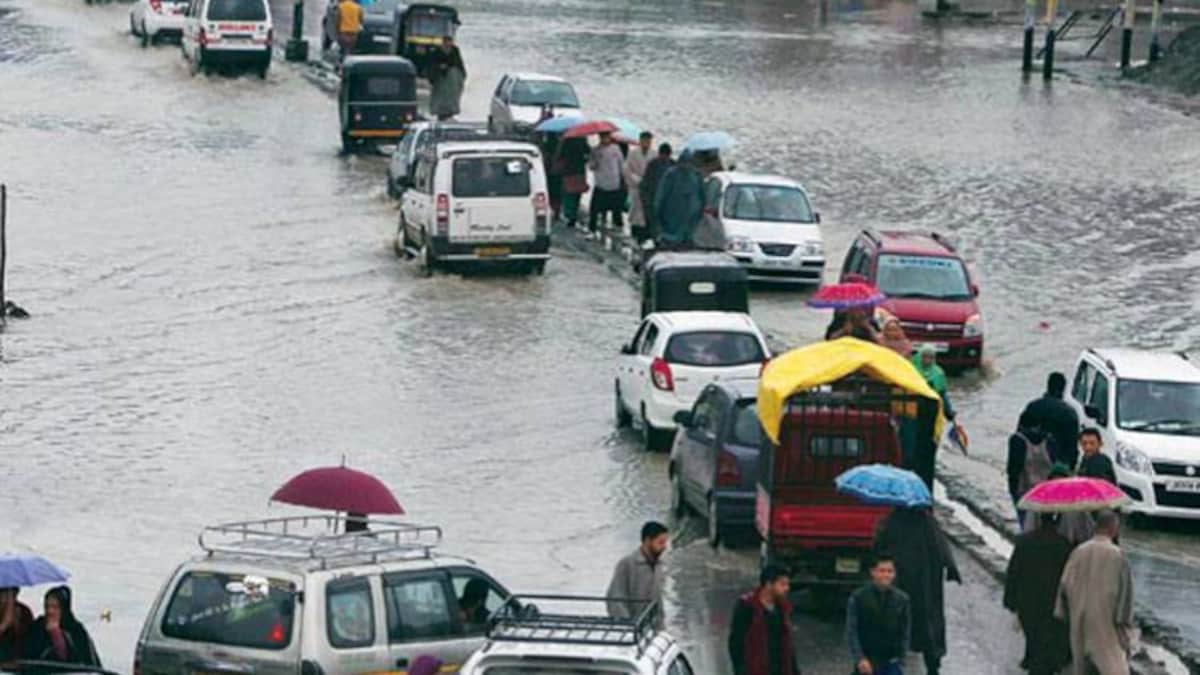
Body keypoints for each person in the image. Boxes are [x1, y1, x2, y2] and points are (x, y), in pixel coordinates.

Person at [874, 507, 961, 675]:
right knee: (929, 624)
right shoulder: (927, 522)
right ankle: (933, 665)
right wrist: (951, 567)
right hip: (926, 584)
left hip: (901, 580)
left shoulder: (891, 521)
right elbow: (940, 546)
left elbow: (879, 548)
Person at [1055, 511, 1134, 675]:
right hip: (1106, 621)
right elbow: (1125, 594)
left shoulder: (1078, 551)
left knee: (1081, 666)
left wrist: (1064, 613)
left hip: (1079, 618)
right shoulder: (1117, 555)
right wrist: (1124, 624)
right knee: (1114, 667)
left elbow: (1065, 584)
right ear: (1113, 528)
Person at [1004, 513, 1072, 675]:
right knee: (1047, 643)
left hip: (1027, 602)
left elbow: (1013, 572)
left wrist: (1010, 601)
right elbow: (1068, 579)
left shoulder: (1024, 542)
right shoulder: (1064, 545)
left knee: (1033, 640)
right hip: (1051, 603)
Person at [728, 564, 799, 675]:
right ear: (769, 584)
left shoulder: (782, 608)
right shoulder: (747, 606)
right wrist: (740, 670)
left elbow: (787, 646)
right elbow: (736, 643)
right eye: (782, 584)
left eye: (787, 584)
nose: (787, 588)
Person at [846, 555, 910, 675]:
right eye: (882, 571)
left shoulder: (902, 600)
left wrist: (902, 659)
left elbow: (904, 631)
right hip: (867, 660)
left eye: (890, 571)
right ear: (873, 572)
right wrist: (860, 658)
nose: (886, 575)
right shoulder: (858, 598)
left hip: (891, 660)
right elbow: (852, 630)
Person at [605, 521, 668, 628]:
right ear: (648, 541)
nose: (665, 546)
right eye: (661, 542)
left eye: (665, 542)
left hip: (653, 630)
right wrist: (628, 627)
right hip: (631, 629)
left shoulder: (659, 566)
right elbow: (614, 599)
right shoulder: (627, 564)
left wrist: (661, 628)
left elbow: (658, 602)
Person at [24, 586, 101, 667]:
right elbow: (29, 657)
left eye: (55, 607)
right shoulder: (37, 628)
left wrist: (56, 635)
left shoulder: (76, 630)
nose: (50, 611)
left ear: (63, 609)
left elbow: (82, 660)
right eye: (47, 606)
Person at [1022, 373, 1081, 469]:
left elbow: (1020, 436)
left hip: (1031, 463)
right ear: (1063, 389)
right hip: (1057, 466)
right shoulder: (1069, 413)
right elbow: (1072, 448)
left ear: (1048, 386)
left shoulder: (1033, 407)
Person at [1007, 412, 1055, 530]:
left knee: (1025, 524)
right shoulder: (1049, 440)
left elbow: (1013, 468)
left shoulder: (1017, 440)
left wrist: (1013, 490)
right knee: (1045, 524)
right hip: (1046, 490)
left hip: (1024, 490)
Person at [653, 150, 704, 250]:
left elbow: (659, 198)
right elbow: (660, 198)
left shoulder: (695, 175)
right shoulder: (674, 175)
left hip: (683, 226)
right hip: (676, 225)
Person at [587, 132, 624, 237]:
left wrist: (623, 179)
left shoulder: (616, 149)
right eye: (603, 137)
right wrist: (596, 160)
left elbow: (621, 164)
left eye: (607, 137)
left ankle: (619, 228)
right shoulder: (595, 150)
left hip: (614, 183)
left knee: (617, 209)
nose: (605, 139)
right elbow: (591, 166)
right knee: (594, 209)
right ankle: (592, 229)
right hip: (601, 184)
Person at [640, 143, 674, 242]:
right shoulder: (653, 165)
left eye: (666, 156)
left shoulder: (673, 165)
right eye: (662, 155)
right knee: (654, 226)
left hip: (666, 202)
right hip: (653, 200)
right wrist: (645, 200)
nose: (664, 158)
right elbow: (645, 183)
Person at [624, 131, 654, 242]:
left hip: (648, 188)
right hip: (636, 187)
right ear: (640, 141)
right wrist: (637, 180)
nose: (646, 143)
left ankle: (645, 235)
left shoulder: (654, 154)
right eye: (644, 140)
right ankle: (635, 233)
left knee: (646, 212)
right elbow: (627, 170)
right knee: (635, 212)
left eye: (648, 141)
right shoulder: (633, 154)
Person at [428, 36, 466, 121]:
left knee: (452, 97)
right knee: (440, 98)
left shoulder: (455, 50)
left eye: (450, 42)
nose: (448, 44)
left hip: (452, 79)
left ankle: (450, 113)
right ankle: (441, 114)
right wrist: (438, 68)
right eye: (447, 42)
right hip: (440, 79)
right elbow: (431, 65)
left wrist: (462, 75)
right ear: (443, 42)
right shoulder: (436, 52)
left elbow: (459, 63)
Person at [557, 137, 589, 230]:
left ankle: (570, 215)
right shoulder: (582, 139)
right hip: (579, 171)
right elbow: (588, 152)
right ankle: (574, 213)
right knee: (577, 193)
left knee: (568, 194)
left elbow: (560, 156)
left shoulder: (565, 140)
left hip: (568, 171)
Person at [0, 587, 34, 664]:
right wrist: (5, 624)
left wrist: (17, 626)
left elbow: (29, 642)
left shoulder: (24, 611)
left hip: (17, 662)